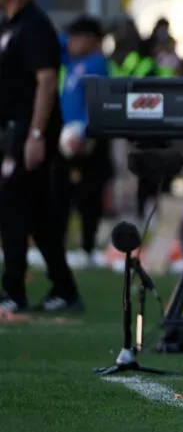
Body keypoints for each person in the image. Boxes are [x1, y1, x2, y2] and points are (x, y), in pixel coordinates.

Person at [0, 0, 82, 313]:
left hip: (29, 130)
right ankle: (64, 287)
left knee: (13, 206)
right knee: (37, 213)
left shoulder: (35, 27)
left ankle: (13, 291)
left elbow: (46, 82)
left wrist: (35, 134)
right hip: (12, 128)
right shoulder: (9, 25)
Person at [57, 15, 112, 270]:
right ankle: (67, 245)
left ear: (91, 40)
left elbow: (98, 103)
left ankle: (87, 247)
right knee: (65, 195)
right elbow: (54, 44)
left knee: (88, 194)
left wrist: (84, 132)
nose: (71, 43)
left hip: (87, 140)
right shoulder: (71, 63)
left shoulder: (96, 65)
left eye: (76, 38)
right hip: (67, 139)